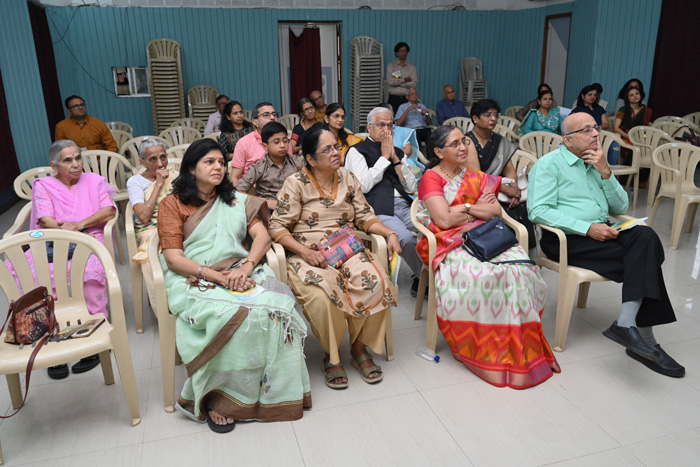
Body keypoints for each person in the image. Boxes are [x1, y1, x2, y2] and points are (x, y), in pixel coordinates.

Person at [157, 138, 311, 433]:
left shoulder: (234, 199)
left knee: (275, 311)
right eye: (209, 162)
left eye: (221, 162)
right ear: (191, 169)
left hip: (241, 270)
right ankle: (220, 398)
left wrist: (247, 266)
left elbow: (263, 236)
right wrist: (219, 278)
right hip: (195, 276)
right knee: (231, 315)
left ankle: (272, 392)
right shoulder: (172, 204)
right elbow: (174, 259)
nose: (218, 167)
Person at [528, 113, 684, 378]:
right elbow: (538, 211)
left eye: (596, 128)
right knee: (645, 258)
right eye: (586, 130)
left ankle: (627, 325)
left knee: (646, 237)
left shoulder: (597, 162)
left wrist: (606, 172)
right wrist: (587, 228)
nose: (595, 134)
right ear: (567, 140)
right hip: (566, 239)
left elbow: (621, 205)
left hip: (603, 230)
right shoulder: (549, 165)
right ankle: (646, 341)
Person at [416, 125, 559, 388]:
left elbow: (494, 212)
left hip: (486, 235)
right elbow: (444, 220)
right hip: (448, 242)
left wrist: (464, 208)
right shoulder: (431, 178)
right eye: (455, 144)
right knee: (487, 274)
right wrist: (474, 208)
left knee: (520, 269)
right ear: (438, 152)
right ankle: (489, 347)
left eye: (464, 141)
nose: (463, 147)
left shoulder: (473, 175)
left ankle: (516, 339)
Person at [269, 129, 400, 389]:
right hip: (309, 253)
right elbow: (277, 226)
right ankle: (332, 355)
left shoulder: (348, 178)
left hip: (346, 248)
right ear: (310, 159)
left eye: (336, 147)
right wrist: (305, 252)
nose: (335, 153)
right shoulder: (296, 183)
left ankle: (359, 347)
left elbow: (364, 216)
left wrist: (390, 233)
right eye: (326, 149)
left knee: (378, 281)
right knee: (322, 296)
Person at [30, 140, 116, 379]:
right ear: (54, 166)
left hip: (89, 236)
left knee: (89, 273)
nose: (76, 164)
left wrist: (79, 225)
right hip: (54, 239)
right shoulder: (44, 185)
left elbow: (108, 210)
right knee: (38, 276)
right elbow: (44, 218)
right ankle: (52, 339)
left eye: (78, 157)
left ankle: (96, 336)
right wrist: (64, 230)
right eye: (68, 160)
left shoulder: (95, 181)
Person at [344, 107, 424, 297]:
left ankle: (434, 274)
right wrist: (384, 158)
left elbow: (411, 187)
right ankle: (425, 280)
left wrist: (395, 159)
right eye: (381, 125)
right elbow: (362, 186)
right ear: (369, 127)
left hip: (405, 205)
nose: (386, 130)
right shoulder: (357, 151)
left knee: (435, 228)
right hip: (377, 208)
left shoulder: (398, 152)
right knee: (406, 238)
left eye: (390, 126)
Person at [467, 99, 536, 250]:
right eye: (487, 115)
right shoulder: (468, 141)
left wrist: (515, 190)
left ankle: (526, 253)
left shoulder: (499, 141)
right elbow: (478, 177)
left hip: (501, 190)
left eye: (495, 115)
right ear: (475, 118)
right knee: (505, 213)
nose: (493, 119)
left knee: (522, 209)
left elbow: (509, 169)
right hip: (478, 190)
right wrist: (507, 190)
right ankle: (507, 253)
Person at [126, 138, 175, 265]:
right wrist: (158, 185)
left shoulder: (175, 177)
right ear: (142, 162)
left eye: (163, 157)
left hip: (176, 223)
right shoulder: (135, 182)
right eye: (153, 159)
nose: (160, 164)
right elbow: (143, 217)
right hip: (151, 229)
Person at [236, 122, 304, 211]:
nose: (282, 145)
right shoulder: (259, 167)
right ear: (265, 146)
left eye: (285, 141)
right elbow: (238, 192)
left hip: (296, 207)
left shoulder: (298, 162)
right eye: (276, 142)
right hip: (268, 211)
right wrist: (266, 202)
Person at [230, 102, 291, 185]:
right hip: (253, 190)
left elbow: (290, 169)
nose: (272, 117)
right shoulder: (244, 143)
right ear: (255, 122)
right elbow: (234, 178)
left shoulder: (285, 141)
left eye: (274, 114)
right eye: (266, 115)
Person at [386, 42, 417, 113]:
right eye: (401, 51)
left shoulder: (412, 67)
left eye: (405, 51)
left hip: (407, 98)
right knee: (391, 118)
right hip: (393, 98)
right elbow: (391, 82)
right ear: (396, 53)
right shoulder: (392, 65)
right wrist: (405, 80)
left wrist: (399, 83)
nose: (403, 53)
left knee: (407, 118)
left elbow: (414, 84)